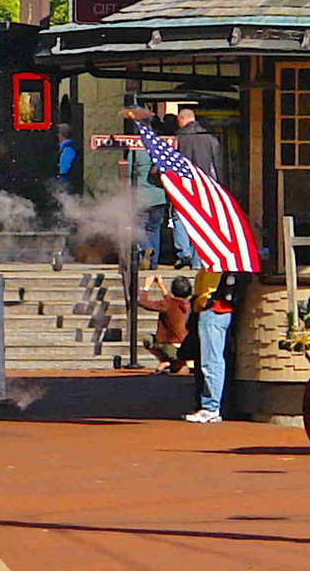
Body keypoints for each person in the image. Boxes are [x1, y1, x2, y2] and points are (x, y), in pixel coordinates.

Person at [185, 268, 239, 424]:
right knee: (211, 360)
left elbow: (207, 291)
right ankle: (210, 405)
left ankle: (211, 407)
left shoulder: (215, 265)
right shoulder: (216, 264)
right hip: (215, 311)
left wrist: (201, 303)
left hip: (213, 311)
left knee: (211, 361)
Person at [170, 108, 221, 269]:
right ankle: (198, 261)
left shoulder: (178, 138)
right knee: (202, 221)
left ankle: (183, 252)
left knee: (179, 218)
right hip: (204, 185)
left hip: (183, 184)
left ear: (183, 118)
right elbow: (217, 166)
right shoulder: (210, 139)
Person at [137, 275, 192, 373]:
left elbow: (142, 302)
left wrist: (146, 287)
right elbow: (172, 300)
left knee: (148, 339)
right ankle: (182, 362)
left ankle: (165, 360)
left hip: (169, 347)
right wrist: (161, 285)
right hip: (188, 347)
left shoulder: (167, 304)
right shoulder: (190, 304)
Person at [129, 149, 167, 269]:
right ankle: (153, 263)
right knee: (154, 230)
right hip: (160, 196)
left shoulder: (136, 152)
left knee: (137, 227)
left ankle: (146, 247)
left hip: (142, 196)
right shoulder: (161, 150)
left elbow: (128, 174)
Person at [55, 123, 80, 194]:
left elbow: (64, 168)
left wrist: (60, 180)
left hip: (67, 181)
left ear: (61, 136)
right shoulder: (70, 146)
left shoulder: (67, 149)